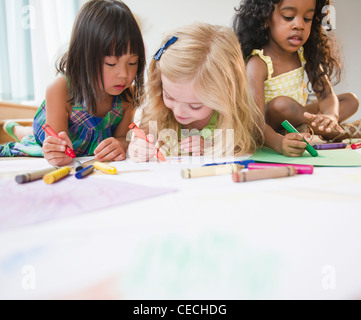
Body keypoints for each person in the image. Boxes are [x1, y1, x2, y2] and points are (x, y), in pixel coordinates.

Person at [1, 0, 145, 166]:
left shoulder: (127, 96)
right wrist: (57, 152)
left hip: (88, 147)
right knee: (32, 140)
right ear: (84, 59)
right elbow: (56, 144)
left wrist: (121, 144)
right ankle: (16, 129)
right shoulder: (61, 89)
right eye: (111, 63)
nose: (124, 75)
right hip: (48, 131)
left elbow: (121, 137)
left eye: (132, 63)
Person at [233, 0, 360, 157]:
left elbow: (327, 96)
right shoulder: (258, 63)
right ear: (265, 19)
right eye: (288, 17)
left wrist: (330, 115)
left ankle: (326, 128)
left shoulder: (304, 55)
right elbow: (255, 122)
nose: (299, 25)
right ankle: (334, 132)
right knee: (281, 104)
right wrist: (279, 143)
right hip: (270, 128)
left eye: (307, 19)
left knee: (350, 100)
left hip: (300, 115)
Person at [128, 22, 264, 162]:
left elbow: (241, 147)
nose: (179, 112)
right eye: (169, 97)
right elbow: (138, 140)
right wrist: (137, 148)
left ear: (226, 95)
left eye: (195, 106)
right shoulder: (157, 110)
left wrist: (209, 147)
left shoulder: (231, 117)